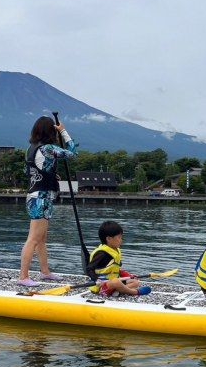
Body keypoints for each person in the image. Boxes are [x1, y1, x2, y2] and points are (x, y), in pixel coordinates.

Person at [17, 116, 77, 287]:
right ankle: (23, 277)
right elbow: (72, 153)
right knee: (33, 239)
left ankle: (45, 271)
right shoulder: (48, 148)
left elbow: (29, 171)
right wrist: (63, 131)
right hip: (41, 197)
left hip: (34, 195)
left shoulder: (30, 148)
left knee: (41, 239)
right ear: (51, 131)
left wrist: (51, 174)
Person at [86, 221, 151, 297]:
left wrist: (128, 275)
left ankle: (117, 292)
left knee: (135, 282)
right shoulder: (101, 253)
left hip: (113, 283)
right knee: (116, 282)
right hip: (101, 286)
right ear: (109, 239)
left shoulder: (115, 251)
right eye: (119, 237)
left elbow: (115, 270)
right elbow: (89, 269)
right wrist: (96, 280)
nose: (121, 240)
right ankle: (135, 292)